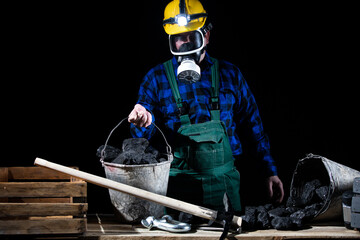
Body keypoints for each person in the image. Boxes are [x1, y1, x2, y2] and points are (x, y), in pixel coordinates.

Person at [128, 0, 284, 215]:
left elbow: (254, 127)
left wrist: (269, 171)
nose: (186, 42)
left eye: (193, 36)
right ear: (171, 42)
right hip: (178, 190)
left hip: (225, 187)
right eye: (179, 38)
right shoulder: (156, 78)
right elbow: (140, 135)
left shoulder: (230, 75)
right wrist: (141, 119)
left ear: (207, 36)